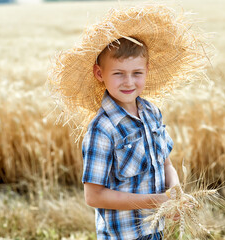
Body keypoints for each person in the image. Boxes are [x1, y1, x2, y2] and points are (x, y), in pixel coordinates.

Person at [47, 4, 211, 240]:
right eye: (118, 73)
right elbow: (93, 196)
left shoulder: (151, 112)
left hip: (156, 229)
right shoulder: (102, 129)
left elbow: (165, 164)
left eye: (136, 73)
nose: (128, 82)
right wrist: (155, 201)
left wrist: (175, 196)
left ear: (147, 69)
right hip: (123, 235)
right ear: (99, 74)